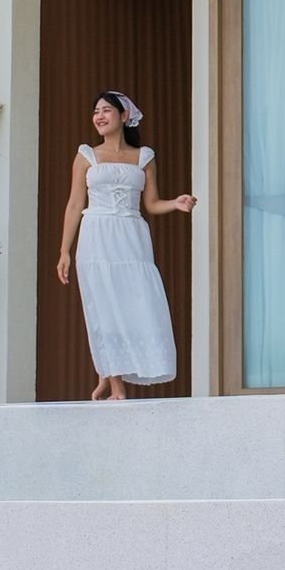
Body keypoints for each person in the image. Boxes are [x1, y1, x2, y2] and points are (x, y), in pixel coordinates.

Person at [56, 91, 195, 399]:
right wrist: (65, 250)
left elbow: (153, 203)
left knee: (134, 303)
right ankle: (115, 383)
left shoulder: (144, 156)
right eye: (96, 112)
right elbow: (74, 203)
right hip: (96, 234)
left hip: (132, 235)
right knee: (103, 305)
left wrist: (177, 203)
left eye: (106, 110)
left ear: (123, 116)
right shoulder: (86, 155)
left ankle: (108, 370)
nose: (99, 116)